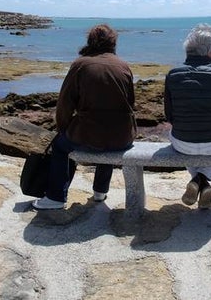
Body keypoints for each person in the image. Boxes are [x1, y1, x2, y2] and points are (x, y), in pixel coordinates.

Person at [33, 23, 135, 210]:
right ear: (113, 43)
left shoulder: (80, 65)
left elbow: (65, 103)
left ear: (90, 41)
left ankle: (56, 197)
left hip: (89, 134)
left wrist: (63, 128)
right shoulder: (123, 66)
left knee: (60, 147)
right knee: (109, 134)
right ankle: (100, 191)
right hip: (123, 136)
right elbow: (130, 103)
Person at [164, 23, 211, 208]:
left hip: (183, 144)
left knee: (184, 138)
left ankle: (197, 180)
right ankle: (202, 180)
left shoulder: (173, 75)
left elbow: (169, 116)